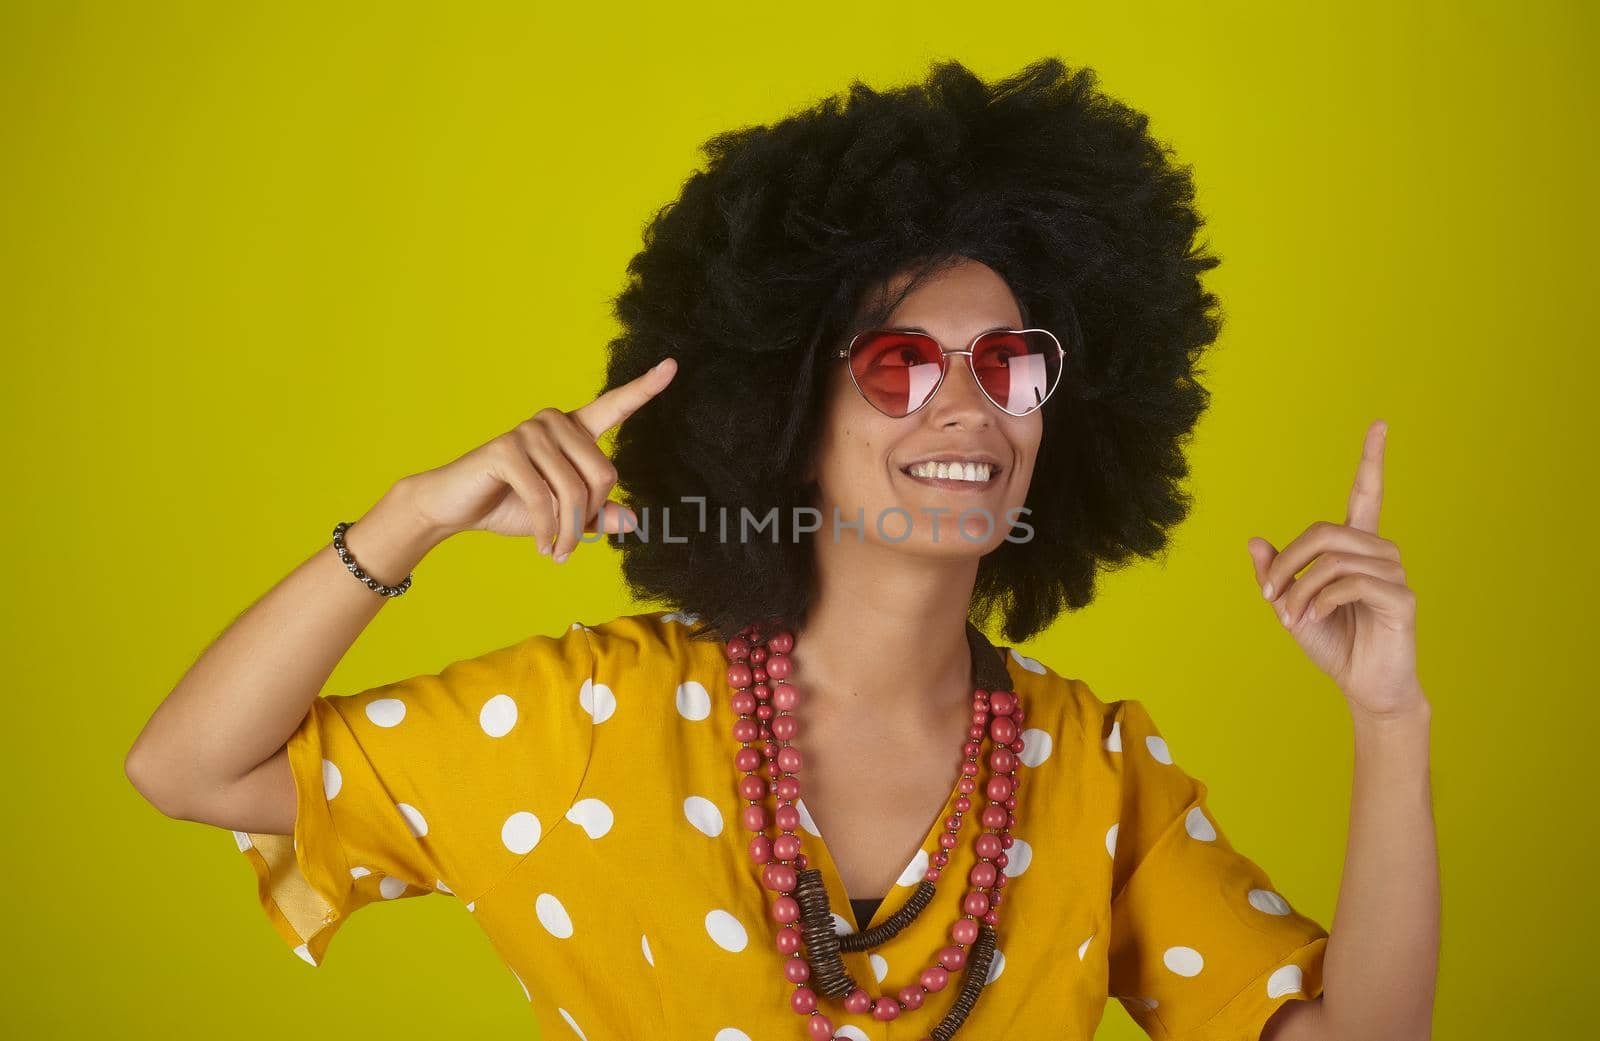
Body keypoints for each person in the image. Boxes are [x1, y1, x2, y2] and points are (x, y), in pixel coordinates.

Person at [126, 57, 1438, 1041]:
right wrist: (412, 515)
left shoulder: (1091, 773)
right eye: (898, 362)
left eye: (1007, 362)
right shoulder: (595, 720)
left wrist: (1390, 721)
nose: (967, 404)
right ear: (786, 413)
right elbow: (187, 765)